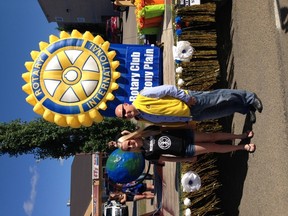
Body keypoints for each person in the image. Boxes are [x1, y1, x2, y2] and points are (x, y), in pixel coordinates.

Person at [114, 85, 263, 124]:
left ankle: (249, 97)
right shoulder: (141, 118)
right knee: (222, 110)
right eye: (124, 117)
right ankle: (245, 108)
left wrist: (186, 99)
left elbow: (168, 89)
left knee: (220, 97)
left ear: (126, 104)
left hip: (190, 102)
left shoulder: (143, 96)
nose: (127, 114)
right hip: (190, 115)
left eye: (124, 111)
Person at [115, 126, 256, 162]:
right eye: (129, 148)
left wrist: (185, 127)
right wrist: (186, 159)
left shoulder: (147, 131)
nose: (131, 145)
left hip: (185, 135)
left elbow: (166, 128)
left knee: (211, 136)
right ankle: (242, 147)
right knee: (213, 147)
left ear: (129, 137)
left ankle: (241, 135)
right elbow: (168, 159)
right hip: (185, 149)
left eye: (129, 143)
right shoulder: (147, 155)